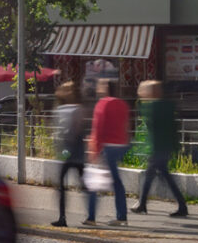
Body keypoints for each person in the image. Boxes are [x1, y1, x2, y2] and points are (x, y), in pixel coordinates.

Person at [134, 81, 189, 217]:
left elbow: (150, 124)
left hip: (158, 147)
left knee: (156, 176)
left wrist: (141, 101)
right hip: (166, 147)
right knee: (158, 175)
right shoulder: (168, 105)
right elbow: (173, 127)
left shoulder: (152, 107)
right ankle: (143, 204)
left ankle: (181, 206)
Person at [86, 79, 131, 226]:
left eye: (99, 85)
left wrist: (94, 150)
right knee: (116, 181)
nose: (97, 87)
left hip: (107, 147)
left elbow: (98, 128)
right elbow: (126, 125)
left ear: (105, 88)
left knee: (93, 183)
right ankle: (122, 216)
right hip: (120, 145)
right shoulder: (122, 104)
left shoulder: (103, 103)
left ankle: (91, 218)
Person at [49, 82, 91, 227]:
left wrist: (65, 150)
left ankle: (67, 217)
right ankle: (84, 216)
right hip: (72, 153)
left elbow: (73, 131)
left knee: (69, 186)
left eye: (64, 90)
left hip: (72, 154)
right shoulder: (65, 108)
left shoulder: (75, 109)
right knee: (73, 186)